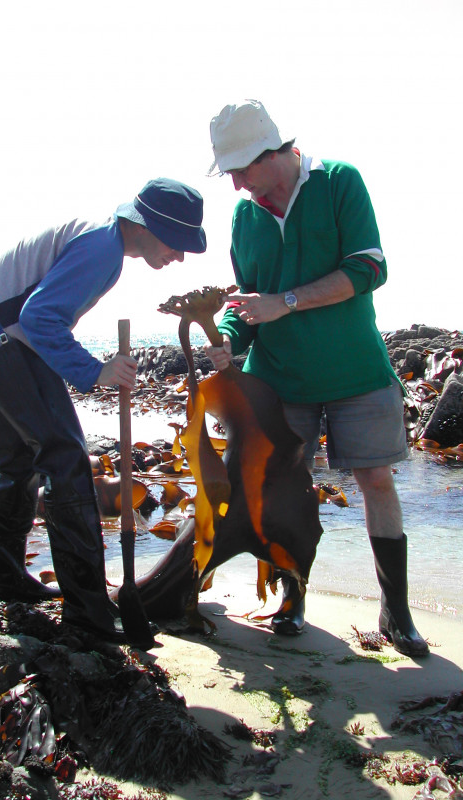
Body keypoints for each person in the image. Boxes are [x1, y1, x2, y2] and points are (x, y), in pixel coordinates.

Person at [204, 99, 428, 657]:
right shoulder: (245, 216)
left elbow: (370, 266)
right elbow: (246, 301)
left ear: (272, 153)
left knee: (376, 480)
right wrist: (231, 337)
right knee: (284, 488)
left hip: (357, 371)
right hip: (279, 380)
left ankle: (395, 611)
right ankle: (293, 596)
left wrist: (289, 301)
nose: (235, 186)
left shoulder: (340, 182)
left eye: (240, 170)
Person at [0, 178, 207, 643]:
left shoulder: (103, 241)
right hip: (4, 340)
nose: (180, 257)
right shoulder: (102, 249)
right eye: (179, 244)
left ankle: (6, 580)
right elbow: (38, 316)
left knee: (20, 462)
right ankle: (88, 614)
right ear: (150, 226)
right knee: (66, 458)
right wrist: (95, 371)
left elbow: (37, 313)